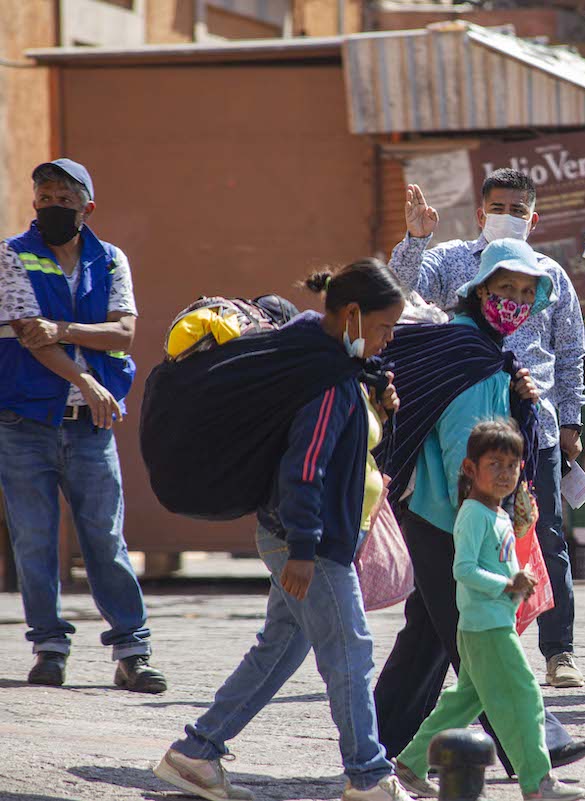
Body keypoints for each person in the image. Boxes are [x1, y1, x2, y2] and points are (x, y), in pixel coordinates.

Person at [155, 259, 410, 801]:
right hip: (309, 543)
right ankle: (368, 777)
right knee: (351, 653)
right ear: (352, 315)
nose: (387, 341)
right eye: (386, 328)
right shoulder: (325, 380)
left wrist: (376, 404)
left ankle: (196, 754)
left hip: (302, 538)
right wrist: (302, 547)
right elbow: (305, 468)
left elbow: (341, 450)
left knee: (280, 647)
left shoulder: (320, 356)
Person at [374, 238, 585, 778]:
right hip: (450, 518)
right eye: (505, 288)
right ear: (480, 291)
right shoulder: (473, 354)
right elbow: (464, 446)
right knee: (484, 643)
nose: (516, 299)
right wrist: (479, 519)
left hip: (437, 515)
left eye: (526, 291)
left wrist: (518, 398)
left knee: (429, 640)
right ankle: (537, 748)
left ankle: (378, 747)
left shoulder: (485, 352)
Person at [387, 169, 585, 689]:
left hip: (533, 428)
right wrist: (414, 239)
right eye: (500, 207)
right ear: (481, 213)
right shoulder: (452, 261)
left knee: (540, 537)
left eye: (520, 210)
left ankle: (557, 649)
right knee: (459, 547)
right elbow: (397, 295)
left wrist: (571, 422)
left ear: (534, 217)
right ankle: (491, 656)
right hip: (462, 430)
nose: (509, 216)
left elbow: (568, 355)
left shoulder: (552, 276)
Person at [0, 158, 165, 692]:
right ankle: (49, 648)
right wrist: (90, 380)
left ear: (86, 208)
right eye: (44, 198)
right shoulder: (12, 256)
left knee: (105, 538)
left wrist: (66, 328)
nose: (51, 207)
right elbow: (30, 336)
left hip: (90, 428)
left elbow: (124, 334)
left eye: (63, 200)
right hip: (24, 422)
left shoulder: (110, 259)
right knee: (34, 540)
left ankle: (131, 652)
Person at [392, 419, 585, 801]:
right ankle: (537, 782)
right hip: (486, 627)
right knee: (526, 695)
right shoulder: (473, 514)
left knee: (462, 702)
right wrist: (507, 585)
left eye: (512, 465)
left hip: (491, 623)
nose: (504, 473)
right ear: (470, 469)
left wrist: (518, 579)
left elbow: (498, 564)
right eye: (494, 464)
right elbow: (462, 569)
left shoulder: (498, 514)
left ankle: (410, 765)